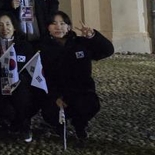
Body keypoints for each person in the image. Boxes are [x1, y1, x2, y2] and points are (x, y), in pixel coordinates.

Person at [39, 12, 114, 141]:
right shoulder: (42, 47)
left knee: (88, 105)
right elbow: (42, 76)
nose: (58, 27)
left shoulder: (80, 43)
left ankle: (80, 124)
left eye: (62, 23)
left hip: (80, 91)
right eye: (54, 23)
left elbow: (107, 51)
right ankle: (58, 125)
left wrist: (93, 37)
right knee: (50, 111)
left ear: (69, 27)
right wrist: (55, 96)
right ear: (48, 28)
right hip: (55, 93)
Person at [0, 13, 39, 143]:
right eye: (0, 25)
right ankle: (9, 120)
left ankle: (24, 126)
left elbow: (31, 70)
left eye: (8, 24)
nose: (4, 28)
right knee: (4, 111)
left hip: (21, 89)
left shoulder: (25, 46)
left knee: (22, 97)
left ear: (14, 27)